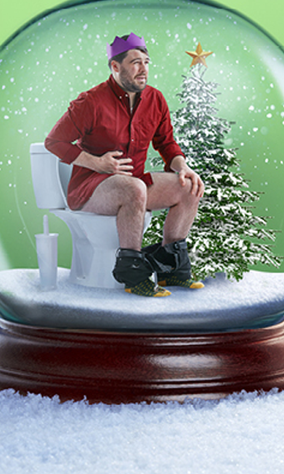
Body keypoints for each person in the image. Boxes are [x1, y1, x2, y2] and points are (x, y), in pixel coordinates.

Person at [45, 33, 205, 297]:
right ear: (115, 67)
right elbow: (54, 142)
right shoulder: (91, 101)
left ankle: (171, 269)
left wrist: (182, 167)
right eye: (135, 63)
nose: (143, 69)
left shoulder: (155, 99)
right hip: (90, 188)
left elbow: (167, 145)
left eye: (146, 62)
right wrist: (97, 163)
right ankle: (133, 275)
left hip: (135, 184)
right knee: (134, 188)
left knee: (187, 187)